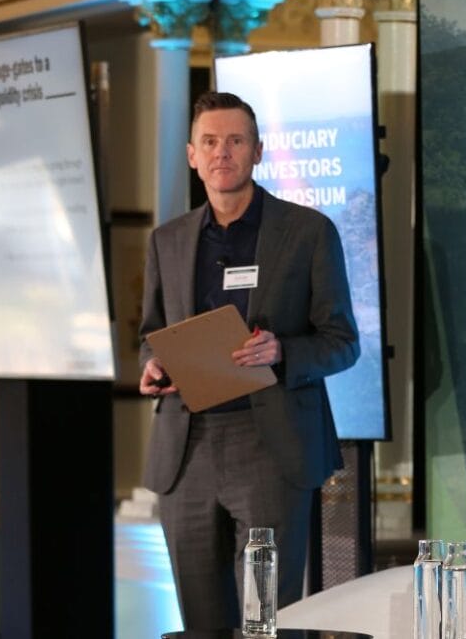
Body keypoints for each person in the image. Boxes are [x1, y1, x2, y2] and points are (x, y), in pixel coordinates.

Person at [138, 90, 359, 629]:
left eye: (236, 141)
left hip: (269, 448)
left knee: (265, 622)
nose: (223, 152)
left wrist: (282, 351)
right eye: (210, 141)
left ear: (258, 151)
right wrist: (153, 365)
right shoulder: (167, 241)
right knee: (200, 626)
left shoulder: (308, 232)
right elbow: (151, 335)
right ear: (192, 155)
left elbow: (342, 341)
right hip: (186, 449)